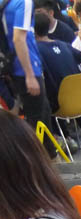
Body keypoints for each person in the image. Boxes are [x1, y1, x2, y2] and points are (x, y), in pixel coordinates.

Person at [33, 10, 81, 148]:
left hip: (60, 106)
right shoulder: (64, 45)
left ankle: (64, 138)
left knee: (41, 100)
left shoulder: (36, 50)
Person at [3, 0, 56, 157]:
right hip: (24, 68)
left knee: (38, 114)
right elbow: (19, 39)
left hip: (9, 67)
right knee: (39, 119)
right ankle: (42, 163)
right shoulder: (23, 3)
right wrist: (29, 74)